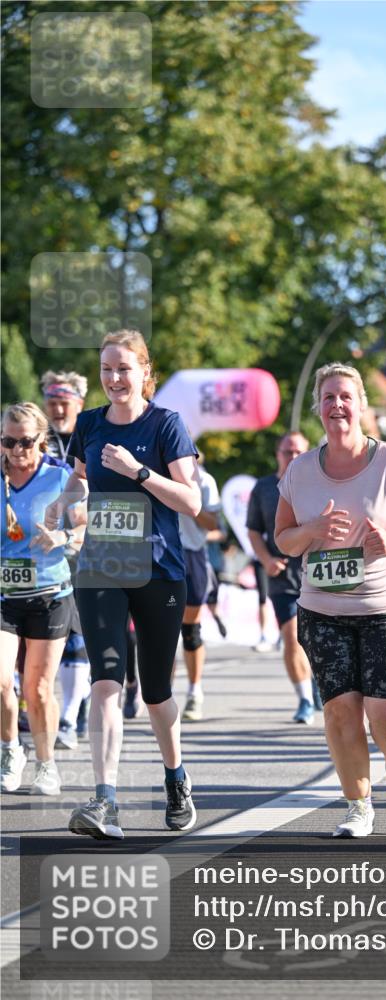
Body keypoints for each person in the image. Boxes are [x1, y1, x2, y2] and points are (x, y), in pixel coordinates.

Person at [45, 329, 201, 839]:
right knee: (106, 680)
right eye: (106, 369)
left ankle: (176, 778)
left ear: (144, 372)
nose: (114, 378)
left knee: (155, 692)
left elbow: (192, 502)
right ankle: (105, 800)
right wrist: (64, 502)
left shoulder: (166, 424)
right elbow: (79, 480)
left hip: (159, 571)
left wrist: (140, 473)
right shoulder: (89, 423)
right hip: (102, 568)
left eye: (124, 369)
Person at [274, 362, 386, 838]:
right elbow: (284, 539)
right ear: (318, 407)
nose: (337, 405)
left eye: (346, 396)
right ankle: (358, 806)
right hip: (323, 610)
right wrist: (313, 530)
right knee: (340, 711)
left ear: (362, 405)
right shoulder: (300, 471)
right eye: (328, 397)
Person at [1, 403, 84, 794]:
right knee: (2, 681)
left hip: (50, 595)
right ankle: (10, 750)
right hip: (4, 596)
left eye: (25, 442)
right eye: (8, 442)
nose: (16, 450)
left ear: (41, 439)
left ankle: (46, 764)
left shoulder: (60, 476)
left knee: (37, 689)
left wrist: (62, 537)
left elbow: (86, 526)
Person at [247, 432, 318, 723]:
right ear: (278, 454)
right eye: (287, 452)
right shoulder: (264, 488)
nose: (293, 457)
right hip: (282, 575)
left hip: (318, 573)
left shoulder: (319, 483)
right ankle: (304, 699)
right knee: (292, 637)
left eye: (299, 452)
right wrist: (266, 559)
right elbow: (253, 530)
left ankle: (317, 682)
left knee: (316, 640)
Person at [41, 369, 91, 746]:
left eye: (64, 402)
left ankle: (71, 716)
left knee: (77, 631)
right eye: (52, 402)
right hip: (36, 545)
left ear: (79, 403)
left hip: (80, 543)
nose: (58, 409)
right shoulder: (32, 437)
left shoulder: (89, 435)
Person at [177, 460, 222, 722]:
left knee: (190, 630)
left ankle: (194, 691)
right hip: (159, 551)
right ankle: (160, 695)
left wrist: (185, 498)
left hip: (192, 555)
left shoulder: (204, 481)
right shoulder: (151, 472)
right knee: (161, 631)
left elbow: (213, 523)